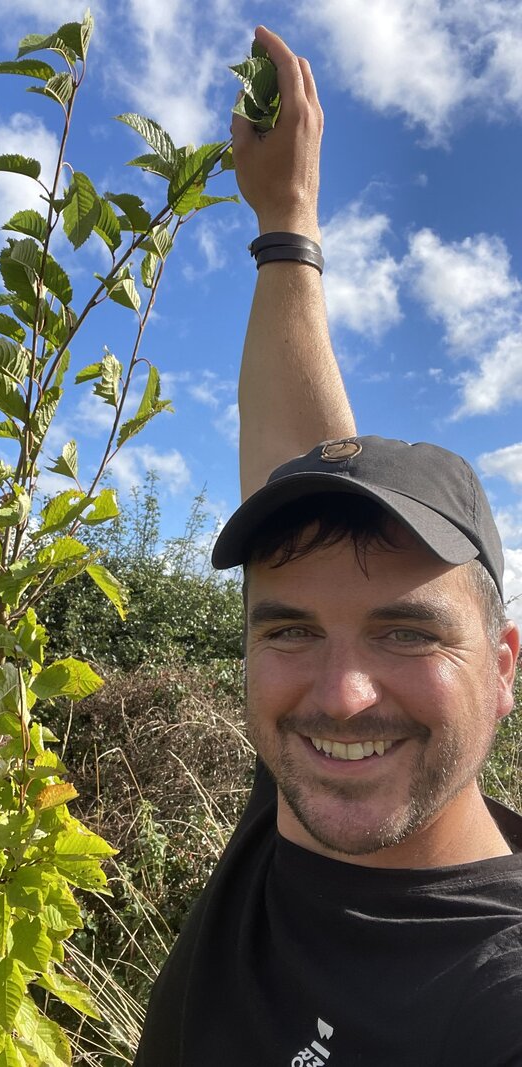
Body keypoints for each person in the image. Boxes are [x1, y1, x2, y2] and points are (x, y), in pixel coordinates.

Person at [133, 26, 522, 1067]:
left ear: (501, 666)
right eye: (291, 627)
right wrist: (284, 225)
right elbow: (298, 455)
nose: (339, 691)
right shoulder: (302, 796)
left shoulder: (494, 991)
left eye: (403, 630)